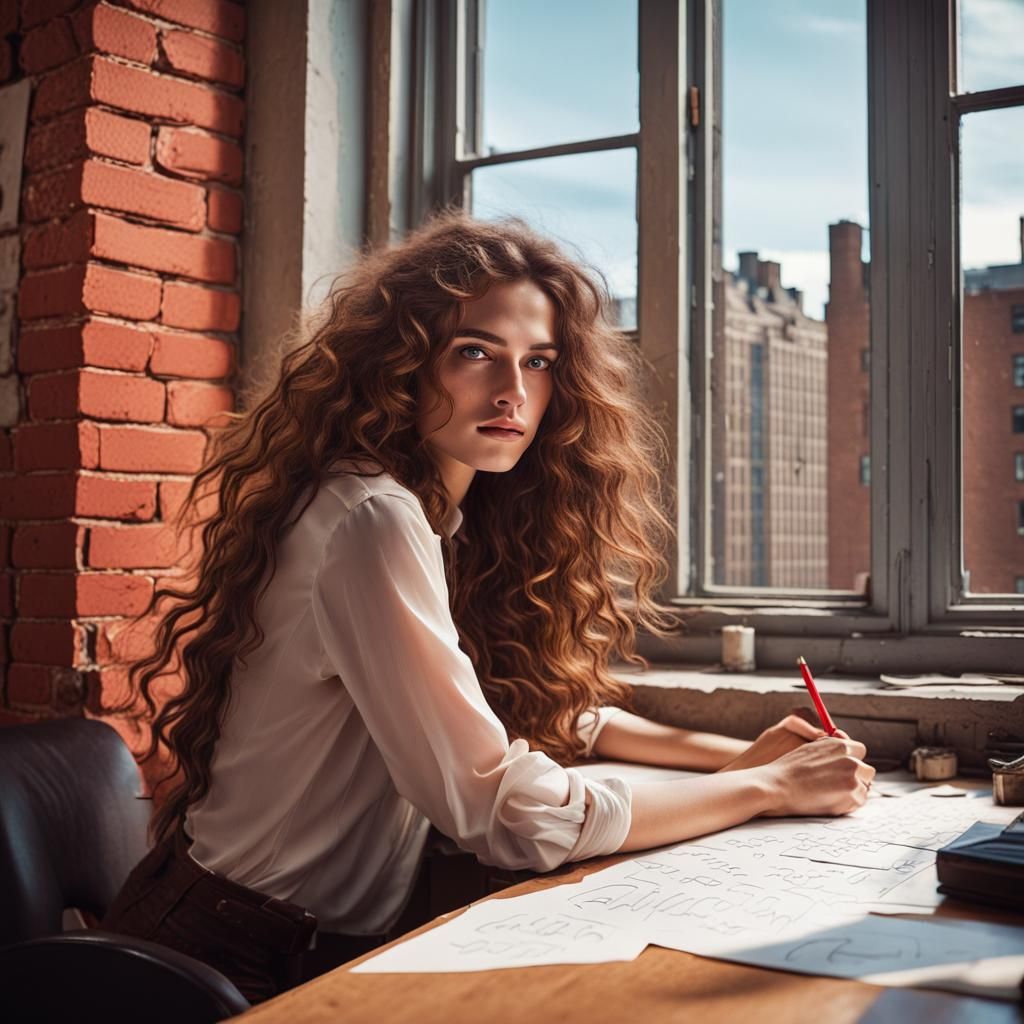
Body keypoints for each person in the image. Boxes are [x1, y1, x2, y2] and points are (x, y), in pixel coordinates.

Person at [102, 213, 874, 1002]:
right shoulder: (373, 518)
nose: (512, 391)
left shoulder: (433, 519)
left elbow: (544, 719)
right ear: (399, 364)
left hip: (269, 934)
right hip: (222, 958)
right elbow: (504, 812)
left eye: (537, 362)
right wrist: (769, 791)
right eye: (475, 352)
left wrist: (744, 758)